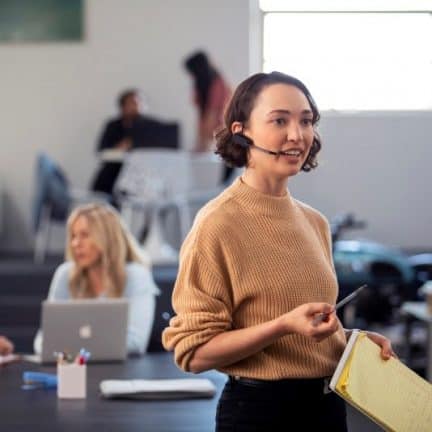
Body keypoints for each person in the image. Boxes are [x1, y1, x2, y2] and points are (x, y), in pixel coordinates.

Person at [162, 72, 395, 431]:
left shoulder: (314, 221)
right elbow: (193, 353)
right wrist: (283, 325)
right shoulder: (217, 224)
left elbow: (302, 337)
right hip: (260, 413)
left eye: (306, 121)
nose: (296, 134)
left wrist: (348, 341)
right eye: (279, 120)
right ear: (242, 130)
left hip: (327, 409)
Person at [34, 203, 159, 355]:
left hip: (121, 373)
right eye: (73, 236)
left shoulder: (136, 275)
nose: (75, 244)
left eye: (85, 235)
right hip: (75, 370)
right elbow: (43, 340)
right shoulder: (65, 273)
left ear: (107, 238)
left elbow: (136, 343)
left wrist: (67, 347)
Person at [91, 89, 168, 197]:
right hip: (114, 173)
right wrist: (119, 147)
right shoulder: (113, 126)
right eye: (133, 103)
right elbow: (101, 151)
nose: (138, 106)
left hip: (143, 176)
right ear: (123, 106)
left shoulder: (153, 127)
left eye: (141, 102)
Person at [184, 51, 231, 154]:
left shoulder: (218, 84)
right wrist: (199, 143)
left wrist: (203, 144)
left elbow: (212, 115)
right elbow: (201, 116)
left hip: (223, 133)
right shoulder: (200, 86)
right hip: (212, 136)